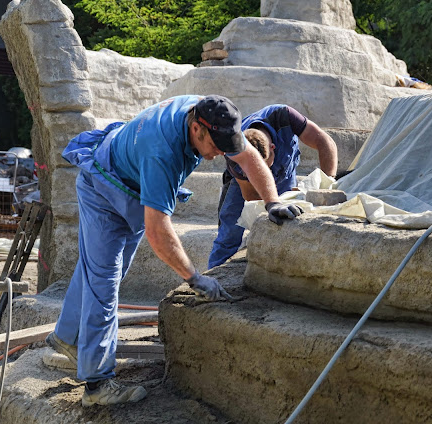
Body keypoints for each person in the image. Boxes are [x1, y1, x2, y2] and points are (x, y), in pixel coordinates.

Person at [45, 95, 304, 407]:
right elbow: (158, 233)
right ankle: (97, 386)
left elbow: (250, 159)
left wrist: (272, 201)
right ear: (197, 129)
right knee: (105, 279)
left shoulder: (212, 116)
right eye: (217, 145)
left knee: (100, 269)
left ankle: (68, 338)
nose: (222, 153)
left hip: (131, 178)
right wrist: (195, 278)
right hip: (105, 185)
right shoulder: (162, 153)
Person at [208, 104, 338, 269]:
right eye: (256, 169)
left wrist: (326, 183)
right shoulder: (235, 154)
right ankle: (215, 274)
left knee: (290, 221)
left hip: (285, 172)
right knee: (229, 232)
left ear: (272, 148)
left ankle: (282, 267)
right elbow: (251, 197)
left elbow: (324, 141)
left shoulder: (284, 116)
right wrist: (272, 204)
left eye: (264, 166)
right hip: (242, 184)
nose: (262, 172)